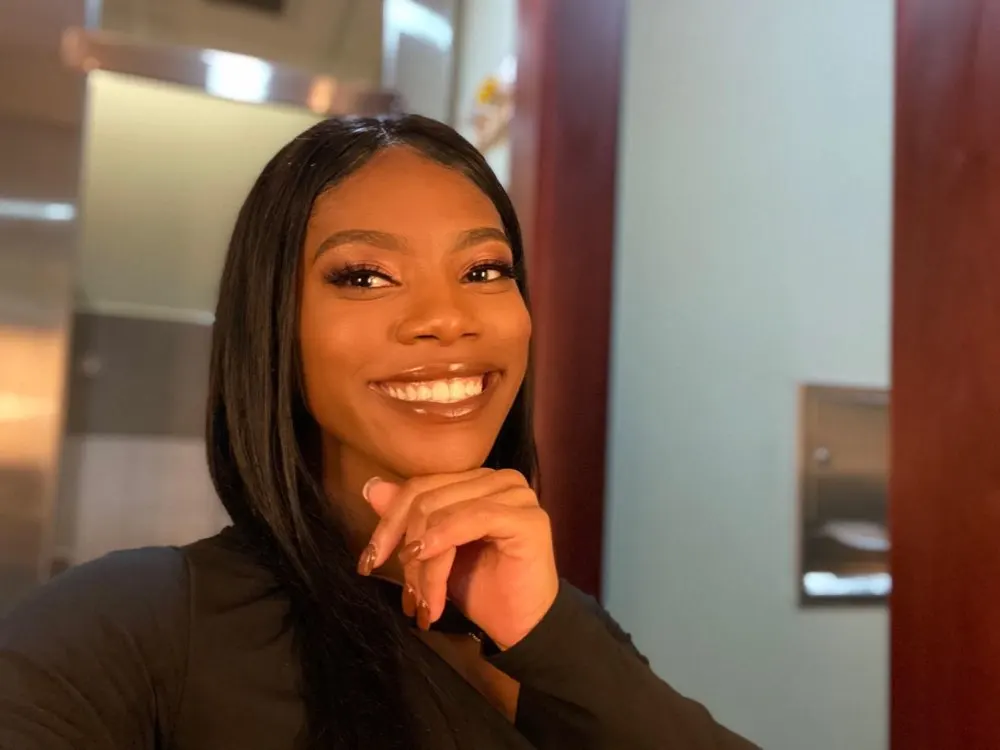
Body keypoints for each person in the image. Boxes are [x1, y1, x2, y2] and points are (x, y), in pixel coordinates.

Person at [0, 115, 758, 749]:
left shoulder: (564, 627)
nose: (447, 319)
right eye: (364, 276)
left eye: (484, 271)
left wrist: (549, 632)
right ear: (275, 328)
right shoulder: (132, 628)